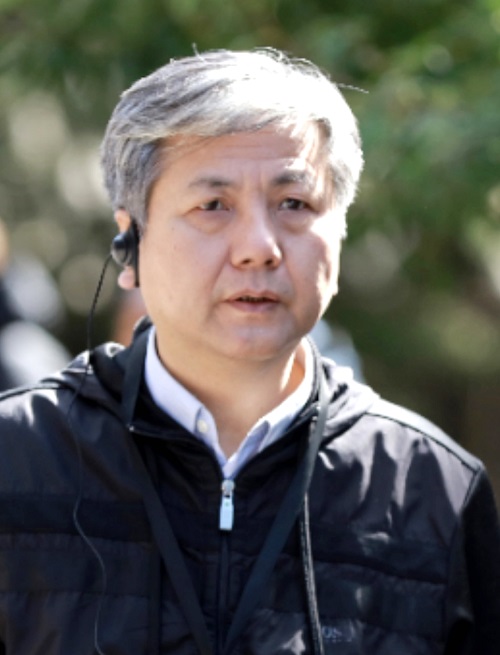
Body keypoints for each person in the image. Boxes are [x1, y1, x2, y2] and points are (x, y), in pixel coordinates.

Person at [0, 49, 498, 655]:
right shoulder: (17, 456)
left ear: (339, 235)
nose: (259, 247)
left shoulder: (432, 488)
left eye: (295, 204)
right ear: (130, 244)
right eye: (214, 206)